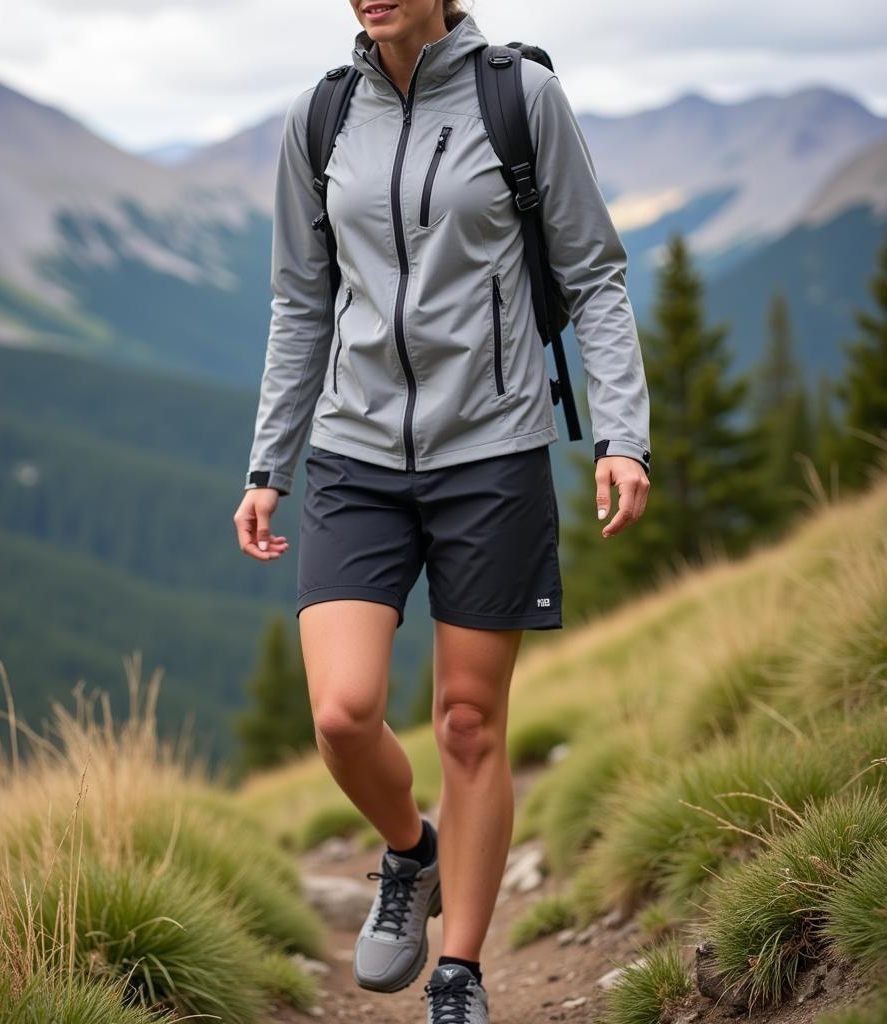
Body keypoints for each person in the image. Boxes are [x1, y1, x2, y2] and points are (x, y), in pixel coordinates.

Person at [233, 1, 651, 1021]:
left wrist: (621, 435)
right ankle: (410, 851)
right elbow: (301, 298)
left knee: (469, 722)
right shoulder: (322, 117)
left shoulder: (521, 98)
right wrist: (267, 463)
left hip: (491, 454)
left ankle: (458, 972)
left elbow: (593, 273)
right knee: (341, 711)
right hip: (352, 454)